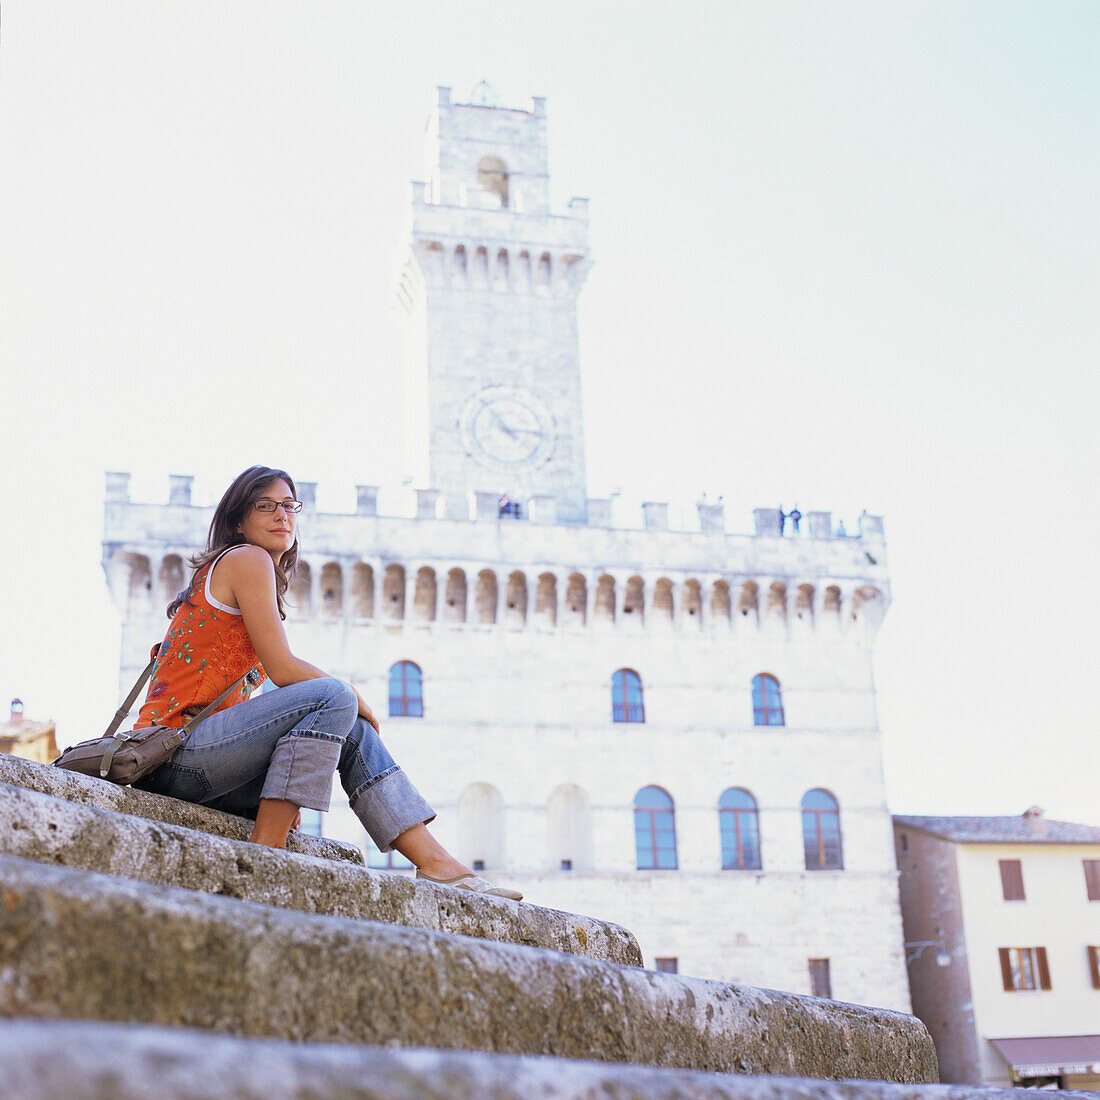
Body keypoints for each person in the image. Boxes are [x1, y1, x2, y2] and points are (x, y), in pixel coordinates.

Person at [132, 465, 521, 900]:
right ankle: (268, 849)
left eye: (289, 505)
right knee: (334, 696)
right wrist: (352, 694)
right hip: (172, 757)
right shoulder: (246, 559)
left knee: (348, 725)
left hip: (209, 766)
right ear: (238, 521)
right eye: (265, 506)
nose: (282, 515)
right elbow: (282, 669)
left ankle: (435, 863)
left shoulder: (253, 573)